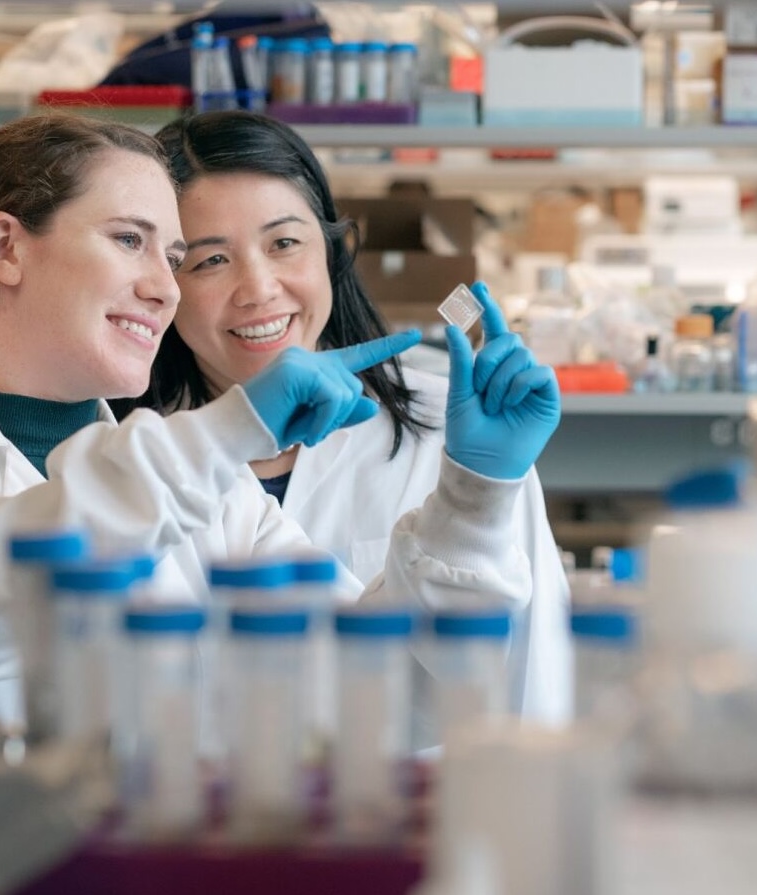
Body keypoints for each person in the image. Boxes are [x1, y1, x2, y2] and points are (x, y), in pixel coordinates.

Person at [0, 113, 561, 719]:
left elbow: (385, 694)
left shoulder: (217, 498)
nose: (165, 288)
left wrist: (476, 493)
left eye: (173, 259)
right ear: (5, 248)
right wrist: (226, 435)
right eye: (131, 241)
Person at [126, 110, 572, 720]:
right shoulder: (131, 457)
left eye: (284, 243)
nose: (258, 289)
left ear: (332, 253)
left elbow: (536, 677)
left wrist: (476, 493)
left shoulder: (452, 436)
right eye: (209, 261)